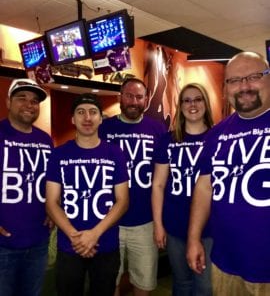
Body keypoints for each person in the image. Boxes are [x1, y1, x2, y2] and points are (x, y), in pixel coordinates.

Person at [186, 51, 270, 296]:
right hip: (225, 263)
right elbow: (204, 187)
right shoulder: (216, 134)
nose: (244, 86)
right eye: (234, 80)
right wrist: (193, 238)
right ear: (225, 88)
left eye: (254, 76)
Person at [45, 93, 129, 296]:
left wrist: (94, 234)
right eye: (81, 112)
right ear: (73, 119)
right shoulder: (59, 154)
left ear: (101, 118)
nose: (87, 118)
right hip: (69, 245)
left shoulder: (115, 153)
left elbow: (123, 201)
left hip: (106, 243)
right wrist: (77, 237)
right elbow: (52, 202)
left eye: (93, 112)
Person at [99, 78, 167, 296]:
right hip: (109, 221)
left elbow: (162, 179)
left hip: (145, 222)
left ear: (146, 100)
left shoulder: (158, 130)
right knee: (110, 281)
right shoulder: (104, 129)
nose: (133, 101)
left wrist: (159, 223)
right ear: (120, 97)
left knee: (144, 283)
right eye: (129, 95)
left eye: (139, 97)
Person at [152, 83, 214, 296]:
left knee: (205, 286)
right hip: (175, 225)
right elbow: (158, 185)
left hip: (209, 228)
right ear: (180, 106)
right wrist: (158, 225)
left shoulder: (217, 139)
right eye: (186, 100)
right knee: (182, 282)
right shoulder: (167, 140)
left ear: (206, 103)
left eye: (198, 99)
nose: (192, 104)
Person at [0, 78, 53, 296]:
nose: (29, 105)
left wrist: (54, 208)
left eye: (34, 101)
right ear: (8, 101)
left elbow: (52, 182)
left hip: (38, 241)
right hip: (3, 245)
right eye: (21, 98)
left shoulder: (45, 140)